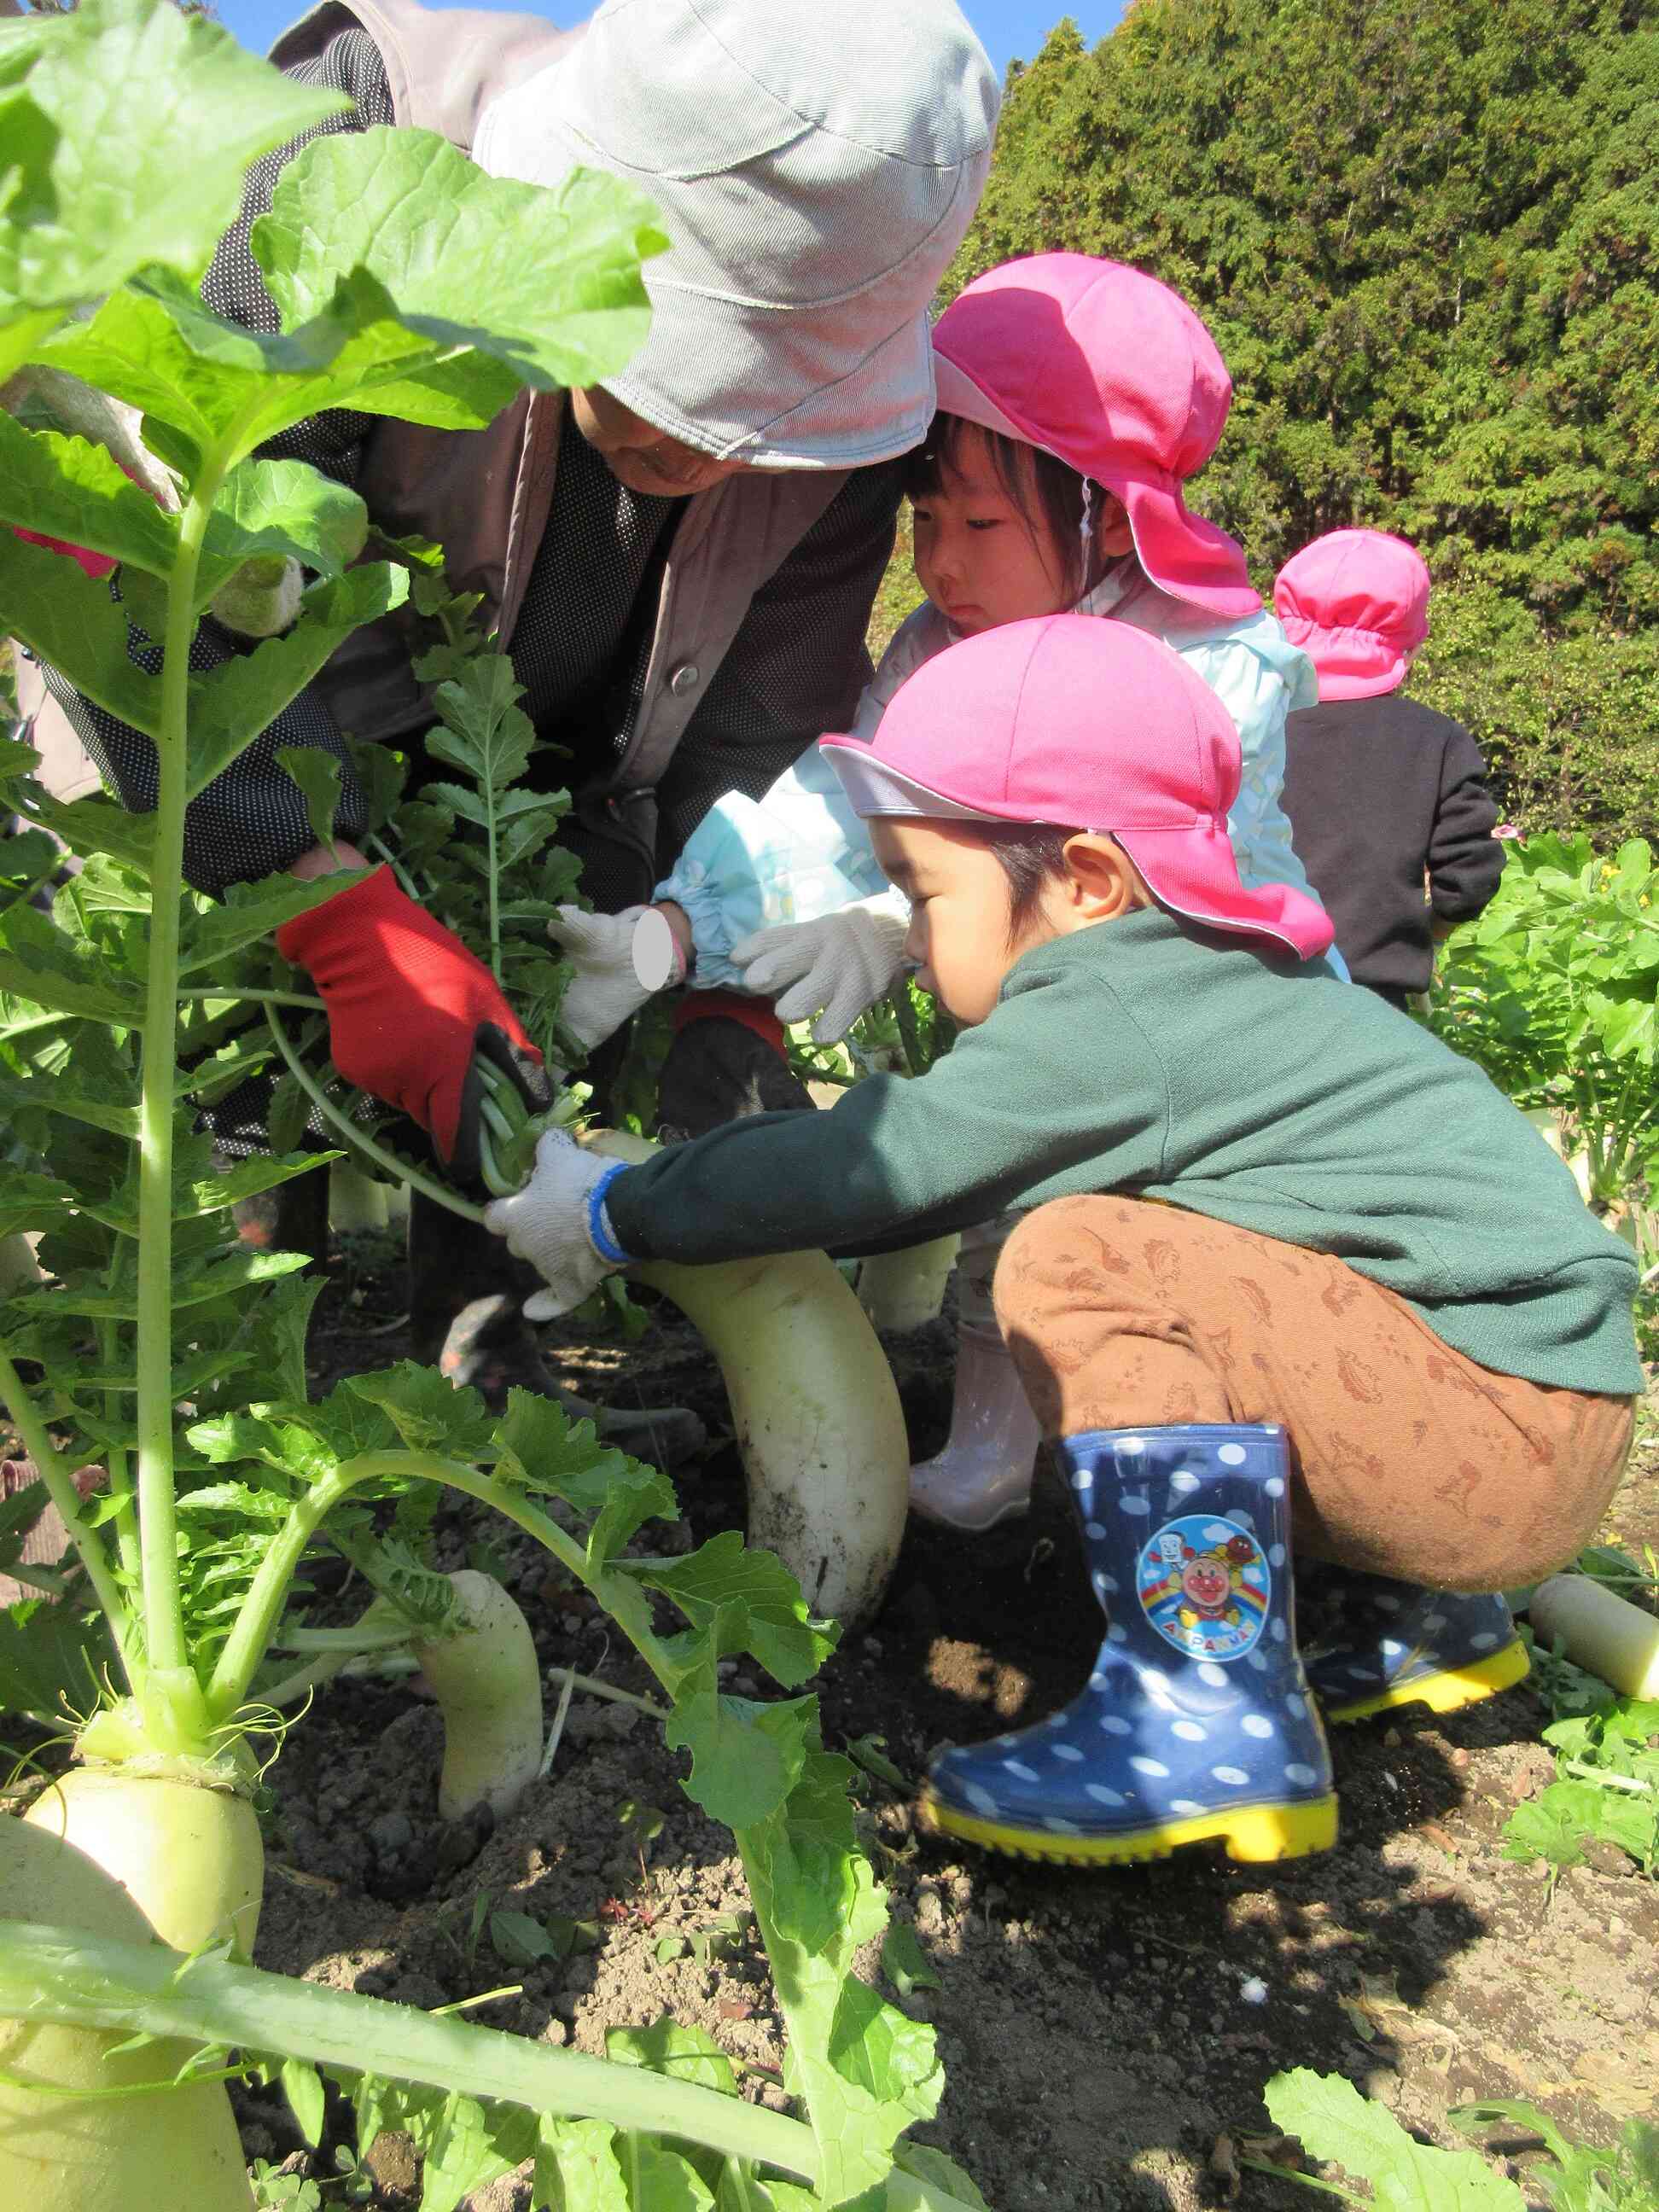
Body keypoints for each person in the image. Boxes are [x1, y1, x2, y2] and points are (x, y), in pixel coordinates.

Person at [484, 615, 1640, 1867]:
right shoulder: (1222, 972)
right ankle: (1409, 1617)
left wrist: (616, 1209)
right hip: (1528, 1407)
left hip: (1492, 1427)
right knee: (1189, 1254)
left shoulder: (1125, 1003)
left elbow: (885, 1167)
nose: (917, 940)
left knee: (1074, 1256)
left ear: (1087, 880)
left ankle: (1208, 1719)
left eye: (922, 896)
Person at [22, 0, 999, 1423]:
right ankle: (209, 1393)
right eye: (679, 380)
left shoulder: (852, 449)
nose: (701, 449)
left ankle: (478, 1359)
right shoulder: (345, 150)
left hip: (561, 759)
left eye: (757, 418)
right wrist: (318, 894)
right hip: (251, 723)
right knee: (224, 1031)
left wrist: (722, 986)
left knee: (538, 997)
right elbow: (140, 573)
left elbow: (753, 721)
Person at [549, 253, 1333, 1528]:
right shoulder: (934, 652)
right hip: (1046, 1022)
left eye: (982, 525)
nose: (942, 562)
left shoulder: (1205, 659)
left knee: (1197, 1268)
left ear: (1111, 517)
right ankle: (991, 1456)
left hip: (1223, 1030)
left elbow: (1162, 870)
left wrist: (898, 926)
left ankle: (1260, 1532)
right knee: (1014, 1221)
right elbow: (847, 806)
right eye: (925, 520)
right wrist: (671, 933)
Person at [1274, 529, 1504, 1010]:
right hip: (1370, 1000)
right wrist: (1424, 940)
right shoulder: (1435, 740)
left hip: (1243, 992)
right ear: (1410, 645)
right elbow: (1468, 881)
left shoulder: (1240, 724)